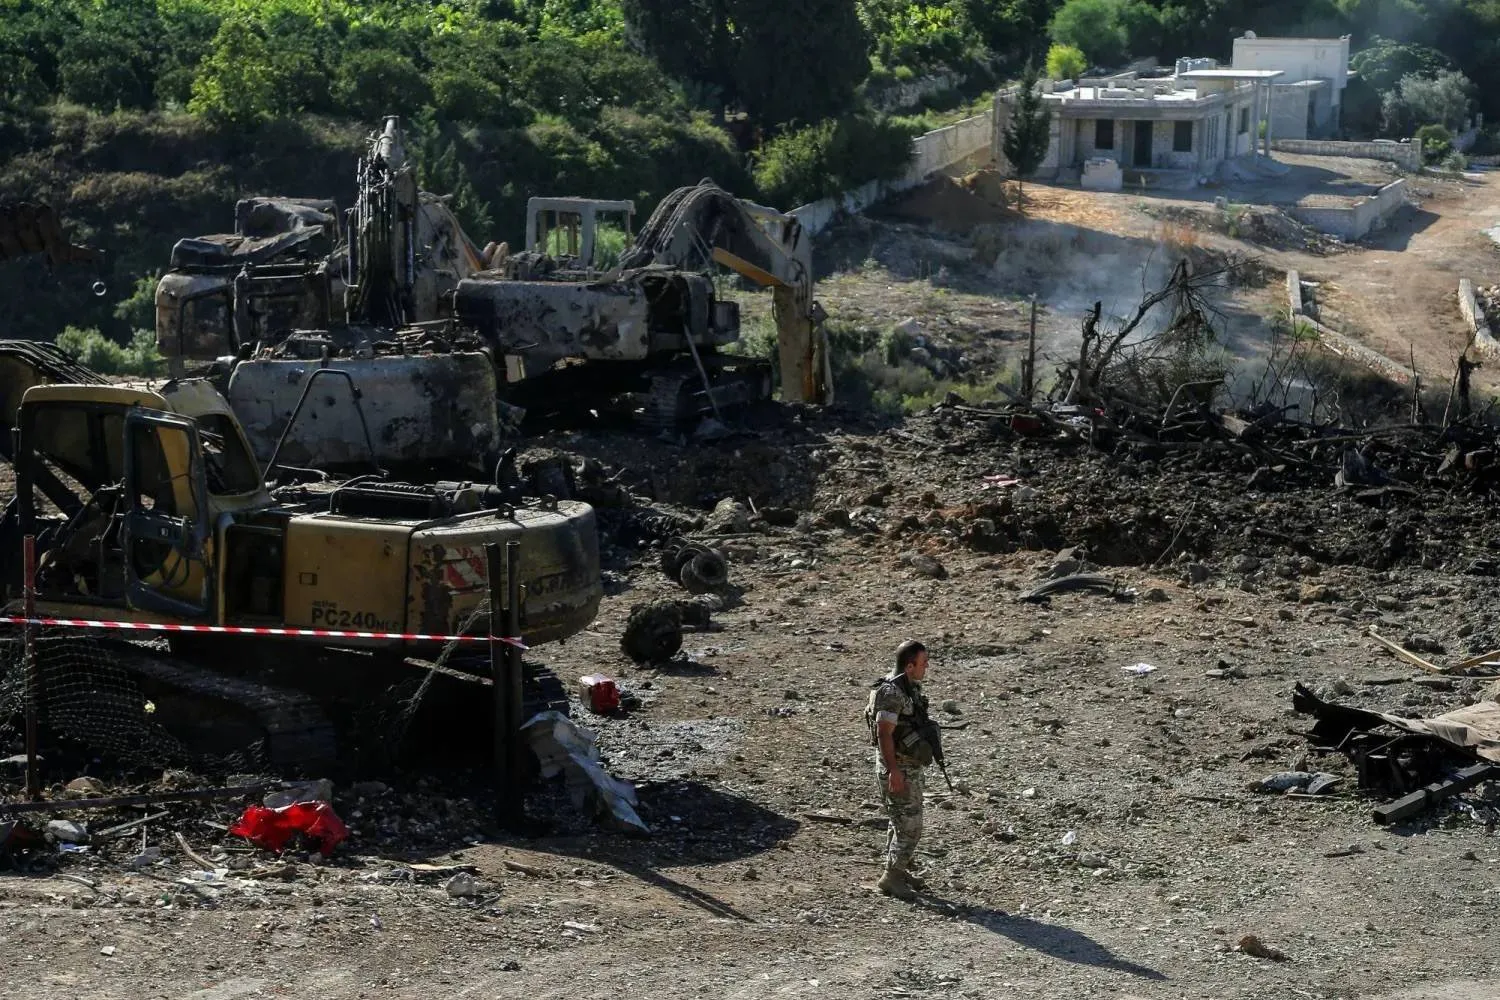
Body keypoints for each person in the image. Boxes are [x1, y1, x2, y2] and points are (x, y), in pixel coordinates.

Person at [866, 639, 934, 900]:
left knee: (900, 823)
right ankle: (891, 878)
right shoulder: (891, 693)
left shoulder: (907, 687)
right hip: (898, 768)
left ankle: (898, 869)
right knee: (911, 828)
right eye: (923, 663)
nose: (926, 667)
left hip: (908, 766)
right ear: (909, 666)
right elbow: (884, 734)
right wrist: (893, 771)